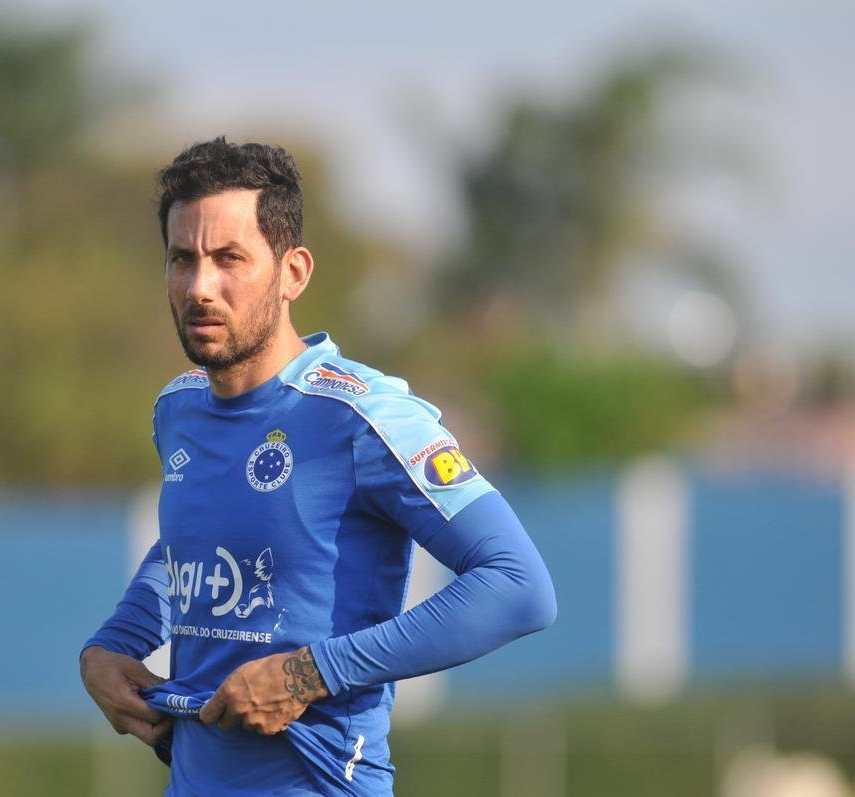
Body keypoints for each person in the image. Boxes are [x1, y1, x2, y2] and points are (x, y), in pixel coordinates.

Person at [79, 137, 556, 796]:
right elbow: (187, 542)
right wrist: (112, 646)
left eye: (229, 258)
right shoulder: (178, 409)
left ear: (293, 272)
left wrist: (306, 673)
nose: (199, 286)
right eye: (182, 259)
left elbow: (519, 585)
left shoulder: (362, 416)